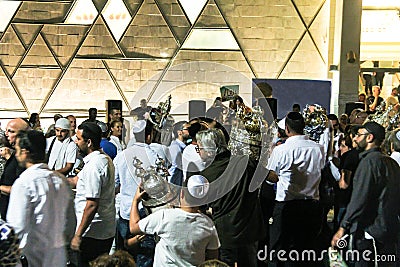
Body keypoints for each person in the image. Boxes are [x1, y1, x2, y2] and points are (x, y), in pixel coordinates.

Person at [331, 122, 400, 267]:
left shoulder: (369, 163)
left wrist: (343, 228)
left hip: (370, 232)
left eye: (359, 135)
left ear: (369, 138)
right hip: (389, 230)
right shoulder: (391, 163)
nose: (355, 138)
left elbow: (360, 198)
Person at [7, 130, 76, 267]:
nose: (16, 154)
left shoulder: (24, 183)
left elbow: (17, 226)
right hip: (58, 255)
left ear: (25, 152)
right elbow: (71, 222)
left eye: (17, 149)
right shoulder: (60, 180)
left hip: (34, 256)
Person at [197, 128, 264, 267]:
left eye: (199, 148)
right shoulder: (245, 162)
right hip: (249, 229)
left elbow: (199, 206)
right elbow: (271, 177)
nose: (198, 152)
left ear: (210, 150)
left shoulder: (206, 174)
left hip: (225, 232)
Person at [265, 112, 325, 266]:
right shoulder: (319, 148)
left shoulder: (282, 150)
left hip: (287, 205)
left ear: (287, 129)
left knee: (279, 249)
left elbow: (272, 176)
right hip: (312, 205)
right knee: (306, 248)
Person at [129, 175, 220, 267]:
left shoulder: (164, 216)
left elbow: (133, 227)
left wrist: (135, 201)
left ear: (182, 194)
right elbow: (213, 258)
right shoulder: (208, 225)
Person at [70, 123, 116, 267]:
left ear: (88, 142)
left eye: (78, 139)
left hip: (92, 234)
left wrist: (78, 235)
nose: (76, 142)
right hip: (102, 230)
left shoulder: (94, 166)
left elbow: (91, 204)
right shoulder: (103, 159)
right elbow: (76, 181)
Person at [0, 118, 30, 219]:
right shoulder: (15, 154)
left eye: (11, 131)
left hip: (16, 216)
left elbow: (20, 189)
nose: (6, 134)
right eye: (6, 130)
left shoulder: (24, 159)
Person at [168, 121, 189, 185]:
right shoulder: (175, 147)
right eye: (187, 129)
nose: (189, 131)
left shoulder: (183, 146)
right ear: (179, 132)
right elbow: (174, 168)